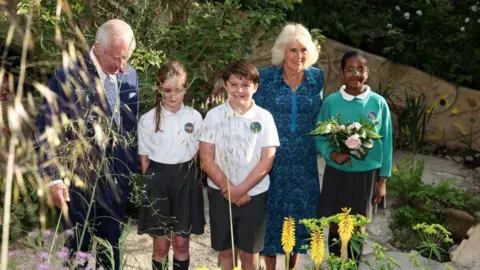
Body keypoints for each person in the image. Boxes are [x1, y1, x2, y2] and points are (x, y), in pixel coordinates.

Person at [35, 19, 139, 270]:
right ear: (97, 47)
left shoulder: (131, 76)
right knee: (78, 251)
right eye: (116, 58)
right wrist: (54, 178)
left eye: (126, 57)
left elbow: (129, 126)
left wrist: (131, 168)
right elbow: (45, 128)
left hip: (116, 182)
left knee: (111, 249)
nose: (122, 65)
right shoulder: (68, 76)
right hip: (78, 182)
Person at [253, 23, 324, 269]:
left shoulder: (317, 79)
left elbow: (320, 118)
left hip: (304, 163)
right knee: (271, 218)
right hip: (272, 161)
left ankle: (291, 267)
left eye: (303, 49)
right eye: (292, 50)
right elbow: (254, 116)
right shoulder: (265, 78)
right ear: (282, 51)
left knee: (299, 220)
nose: (298, 56)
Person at [200, 60, 280, 270]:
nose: (239, 90)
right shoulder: (213, 116)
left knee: (249, 255)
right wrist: (229, 190)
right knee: (225, 252)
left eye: (245, 85)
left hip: (254, 195)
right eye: (234, 84)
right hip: (220, 194)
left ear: (255, 87)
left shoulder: (265, 118)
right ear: (225, 85)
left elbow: (267, 161)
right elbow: (206, 158)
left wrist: (241, 190)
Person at [315, 51, 392, 261]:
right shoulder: (331, 103)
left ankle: (352, 265)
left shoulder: (378, 103)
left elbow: (387, 143)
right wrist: (332, 153)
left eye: (360, 69)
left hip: (367, 175)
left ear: (367, 73)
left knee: (358, 226)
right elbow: (320, 137)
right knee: (335, 222)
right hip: (337, 173)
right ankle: (334, 264)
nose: (355, 74)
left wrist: (382, 180)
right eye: (350, 69)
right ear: (342, 74)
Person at [137, 61, 205, 270]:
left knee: (182, 244)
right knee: (160, 246)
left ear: (186, 89)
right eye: (167, 90)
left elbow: (199, 154)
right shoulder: (148, 120)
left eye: (178, 90)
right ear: (159, 89)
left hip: (186, 181)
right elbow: (145, 160)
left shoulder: (195, 117)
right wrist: (154, 185)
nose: (172, 96)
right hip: (158, 182)